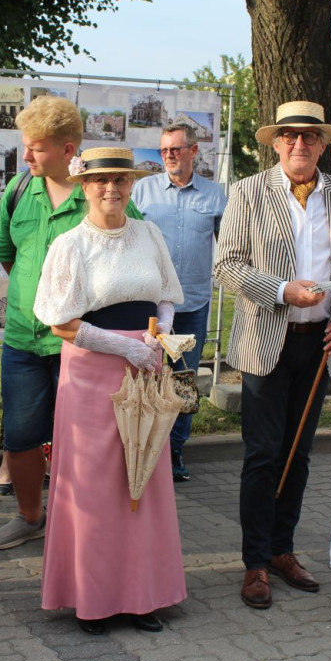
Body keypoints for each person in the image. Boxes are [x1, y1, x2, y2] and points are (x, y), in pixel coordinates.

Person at [213, 100, 331, 610]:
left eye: (310, 136)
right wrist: (281, 290)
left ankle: (283, 550)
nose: (299, 144)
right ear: (276, 142)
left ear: (324, 144)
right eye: (290, 136)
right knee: (262, 455)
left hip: (319, 342)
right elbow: (227, 267)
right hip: (265, 340)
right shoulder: (248, 191)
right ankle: (255, 561)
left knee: (298, 455)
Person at [33, 147, 186, 634]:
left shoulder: (149, 233)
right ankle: (92, 598)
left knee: (140, 482)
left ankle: (142, 597)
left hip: (145, 367)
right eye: (101, 182)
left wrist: (157, 337)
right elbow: (61, 323)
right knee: (96, 489)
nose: (112, 189)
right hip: (91, 376)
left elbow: (167, 294)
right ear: (83, 187)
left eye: (121, 180)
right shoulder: (69, 245)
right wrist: (124, 349)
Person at [0, 96, 142, 551]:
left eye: (36, 147)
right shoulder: (18, 190)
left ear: (67, 149)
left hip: (80, 344)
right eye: (25, 146)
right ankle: (29, 515)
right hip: (22, 340)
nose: (27, 155)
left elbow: (132, 256)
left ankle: (80, 525)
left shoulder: (100, 193)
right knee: (19, 437)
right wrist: (39, 304)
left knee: (83, 440)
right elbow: (7, 255)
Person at [132, 122, 226, 482]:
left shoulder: (215, 195)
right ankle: (143, 447)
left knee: (183, 381)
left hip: (192, 306)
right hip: (150, 306)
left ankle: (174, 451)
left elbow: (229, 246)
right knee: (148, 376)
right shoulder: (143, 192)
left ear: (194, 151)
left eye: (176, 149)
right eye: (164, 150)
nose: (169, 155)